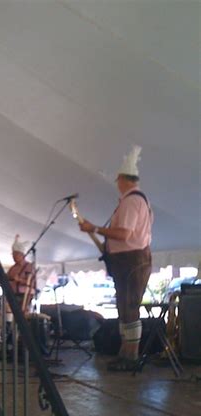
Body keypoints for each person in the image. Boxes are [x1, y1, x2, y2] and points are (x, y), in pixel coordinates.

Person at [79, 146, 153, 371]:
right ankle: (126, 353)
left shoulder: (131, 201)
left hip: (131, 261)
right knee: (124, 307)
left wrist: (95, 228)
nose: (116, 183)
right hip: (128, 261)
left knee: (129, 307)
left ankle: (130, 356)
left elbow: (124, 234)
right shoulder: (136, 200)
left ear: (123, 180)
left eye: (117, 180)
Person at [7, 235, 36, 314]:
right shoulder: (12, 268)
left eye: (16, 254)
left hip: (24, 295)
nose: (13, 256)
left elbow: (32, 282)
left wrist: (20, 280)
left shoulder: (29, 267)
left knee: (22, 315)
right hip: (12, 295)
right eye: (13, 254)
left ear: (22, 255)